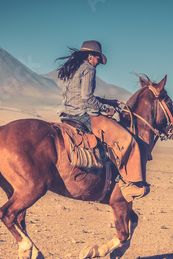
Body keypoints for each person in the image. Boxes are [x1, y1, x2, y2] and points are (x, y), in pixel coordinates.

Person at [56, 40, 149, 202]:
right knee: (123, 138)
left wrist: (110, 102)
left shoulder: (73, 68)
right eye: (98, 58)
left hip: (66, 114)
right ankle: (123, 181)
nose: (98, 62)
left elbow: (81, 95)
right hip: (81, 115)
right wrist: (106, 110)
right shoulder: (89, 69)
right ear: (91, 56)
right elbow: (87, 98)